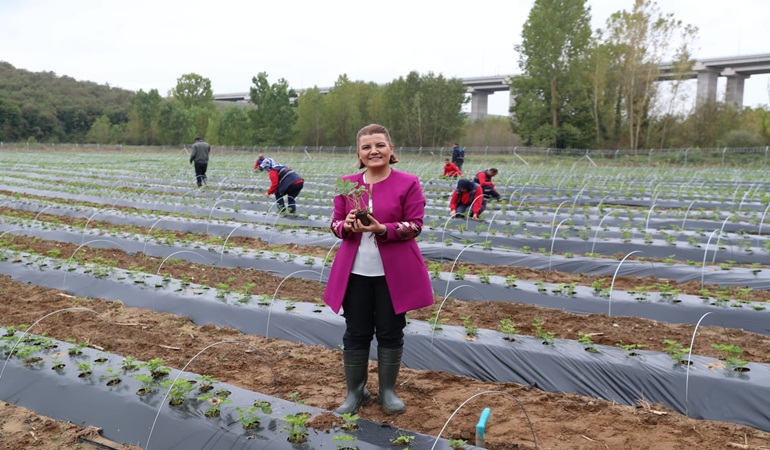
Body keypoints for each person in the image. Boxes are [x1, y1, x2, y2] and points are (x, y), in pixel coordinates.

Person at [323, 123, 434, 416]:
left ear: (391, 149)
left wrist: (384, 228)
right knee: (356, 332)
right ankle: (355, 392)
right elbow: (334, 223)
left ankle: (387, 391)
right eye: (367, 147)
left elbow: (416, 224)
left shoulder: (408, 182)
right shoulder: (347, 184)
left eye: (380, 145)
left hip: (393, 274)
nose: (374, 151)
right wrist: (344, 226)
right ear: (359, 153)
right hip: (356, 273)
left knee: (390, 331)